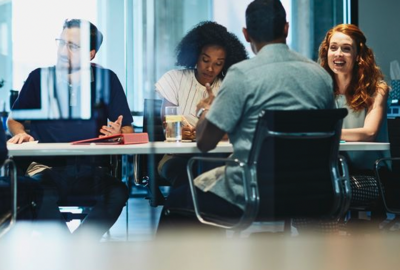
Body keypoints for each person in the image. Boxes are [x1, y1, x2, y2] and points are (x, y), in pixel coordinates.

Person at [158, 0, 335, 232]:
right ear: (286, 28)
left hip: (254, 190)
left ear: (246, 34)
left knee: (176, 203)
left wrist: (206, 109)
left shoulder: (242, 75)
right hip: (313, 191)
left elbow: (205, 141)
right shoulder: (321, 76)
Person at [7, 19, 133, 240]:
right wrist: (20, 133)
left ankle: (74, 248)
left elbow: (128, 129)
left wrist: (119, 134)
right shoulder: (39, 77)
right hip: (45, 168)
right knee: (34, 192)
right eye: (61, 43)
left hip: (92, 169)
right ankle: (73, 252)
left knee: (118, 192)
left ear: (91, 54)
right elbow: (14, 120)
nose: (64, 52)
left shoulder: (107, 80)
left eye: (73, 47)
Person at [155, 21, 248, 187]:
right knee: (187, 176)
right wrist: (210, 126)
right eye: (205, 60)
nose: (210, 69)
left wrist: (198, 127)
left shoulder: (228, 86)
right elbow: (170, 128)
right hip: (176, 157)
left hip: (220, 157)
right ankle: (180, 213)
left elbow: (236, 131)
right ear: (195, 55)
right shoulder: (174, 79)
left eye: (218, 63)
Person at [318, 24, 390, 213]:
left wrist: (330, 132)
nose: (338, 54)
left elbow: (369, 133)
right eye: (333, 48)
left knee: (326, 193)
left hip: (371, 176)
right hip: (332, 173)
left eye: (346, 49)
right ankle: (324, 240)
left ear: (358, 55)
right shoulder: (321, 91)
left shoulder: (377, 89)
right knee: (306, 190)